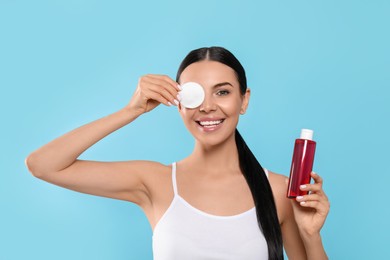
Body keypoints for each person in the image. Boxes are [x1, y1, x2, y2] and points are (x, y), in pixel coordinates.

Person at [25, 46, 330, 260]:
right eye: (195, 94)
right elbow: (43, 165)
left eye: (222, 92)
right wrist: (130, 111)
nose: (208, 106)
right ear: (179, 102)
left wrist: (311, 234)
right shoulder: (154, 182)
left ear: (244, 100)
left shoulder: (279, 190)